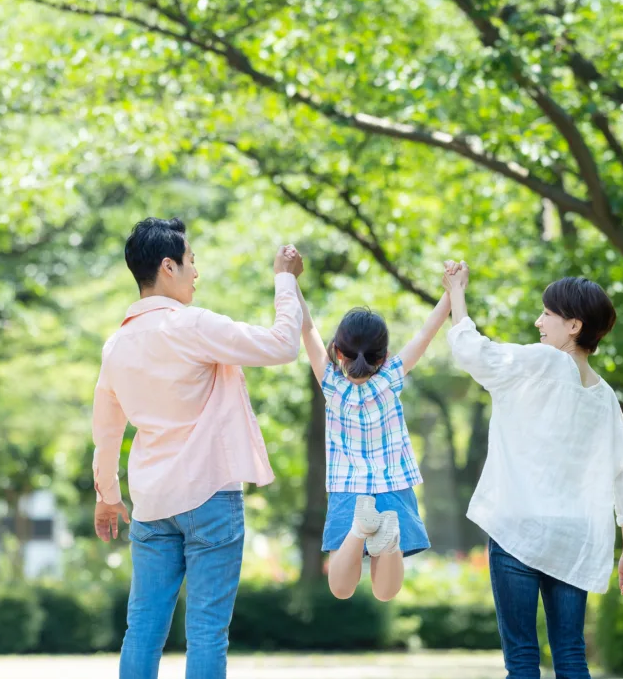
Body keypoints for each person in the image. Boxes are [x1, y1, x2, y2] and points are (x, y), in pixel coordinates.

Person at [91, 217, 304, 679]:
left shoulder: (116, 346)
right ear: (168, 266)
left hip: (151, 504)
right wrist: (285, 280)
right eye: (190, 262)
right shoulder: (192, 325)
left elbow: (106, 430)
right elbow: (284, 345)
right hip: (210, 495)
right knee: (207, 630)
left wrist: (107, 496)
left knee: (142, 628)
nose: (195, 272)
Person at [442, 260, 623, 679]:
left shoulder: (540, 363)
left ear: (574, 325)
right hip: (574, 536)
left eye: (547, 314)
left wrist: (456, 291)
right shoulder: (606, 397)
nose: (539, 322)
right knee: (571, 654)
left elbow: (471, 350)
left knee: (521, 658)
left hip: (518, 528)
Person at [295, 278, 450, 601]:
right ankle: (387, 539)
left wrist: (290, 280)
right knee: (386, 592)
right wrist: (452, 292)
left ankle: (358, 529)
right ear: (384, 355)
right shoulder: (392, 376)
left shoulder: (331, 385)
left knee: (340, 588)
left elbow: (306, 328)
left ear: (338, 351)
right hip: (395, 484)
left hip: (348, 488)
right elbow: (426, 332)